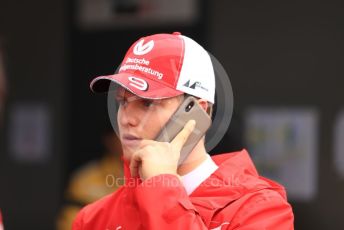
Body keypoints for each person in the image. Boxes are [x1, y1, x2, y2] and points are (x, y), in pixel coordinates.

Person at [73, 32, 294, 229]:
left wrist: (162, 188)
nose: (126, 119)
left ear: (198, 112)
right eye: (122, 102)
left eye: (147, 103)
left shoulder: (259, 209)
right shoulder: (93, 219)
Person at [57, 129, 122, 230]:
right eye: (123, 133)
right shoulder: (86, 179)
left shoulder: (151, 176)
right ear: (109, 140)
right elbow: (71, 222)